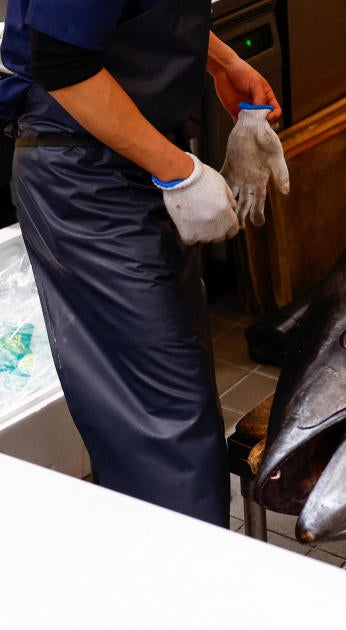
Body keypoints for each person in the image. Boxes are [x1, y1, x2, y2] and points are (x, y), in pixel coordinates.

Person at [0, 0, 288, 527]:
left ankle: (192, 577)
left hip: (128, 159)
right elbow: (63, 62)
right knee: (165, 428)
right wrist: (179, 171)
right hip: (82, 176)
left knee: (181, 408)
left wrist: (224, 62)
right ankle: (183, 596)